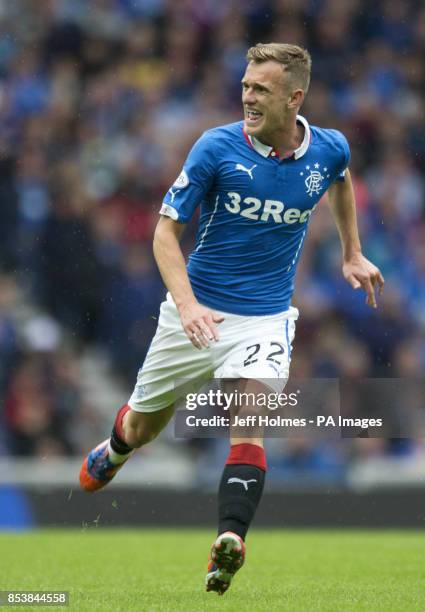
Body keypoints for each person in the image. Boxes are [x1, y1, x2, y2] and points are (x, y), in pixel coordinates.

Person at [79, 43, 384, 595]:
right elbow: (164, 233)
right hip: (194, 313)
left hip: (266, 318)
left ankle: (230, 540)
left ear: (295, 98)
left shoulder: (329, 149)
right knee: (143, 427)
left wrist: (351, 252)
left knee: (250, 415)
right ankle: (116, 447)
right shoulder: (216, 147)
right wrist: (190, 305)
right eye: (245, 85)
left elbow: (339, 181)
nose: (247, 95)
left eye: (260, 89)